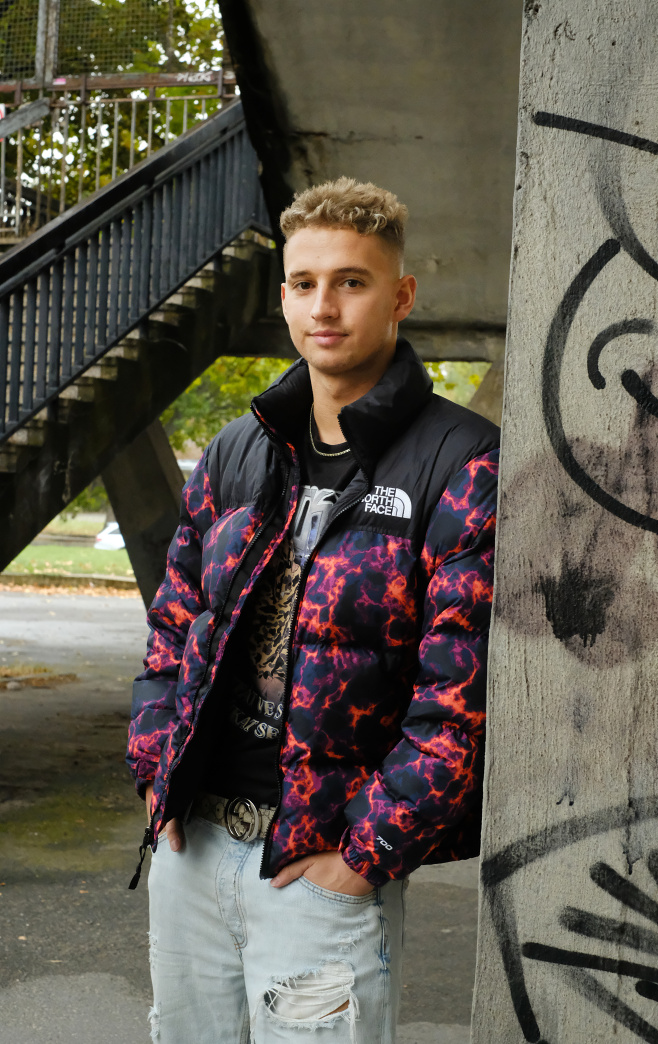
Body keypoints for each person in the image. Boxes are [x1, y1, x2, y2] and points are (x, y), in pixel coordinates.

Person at [126, 177, 499, 1044]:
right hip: (191, 849)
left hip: (321, 869)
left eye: (351, 281)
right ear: (285, 295)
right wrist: (155, 772)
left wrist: (366, 856)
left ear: (401, 296)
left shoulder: (462, 459)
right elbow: (172, 628)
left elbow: (460, 700)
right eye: (304, 283)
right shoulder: (238, 449)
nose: (323, 306)